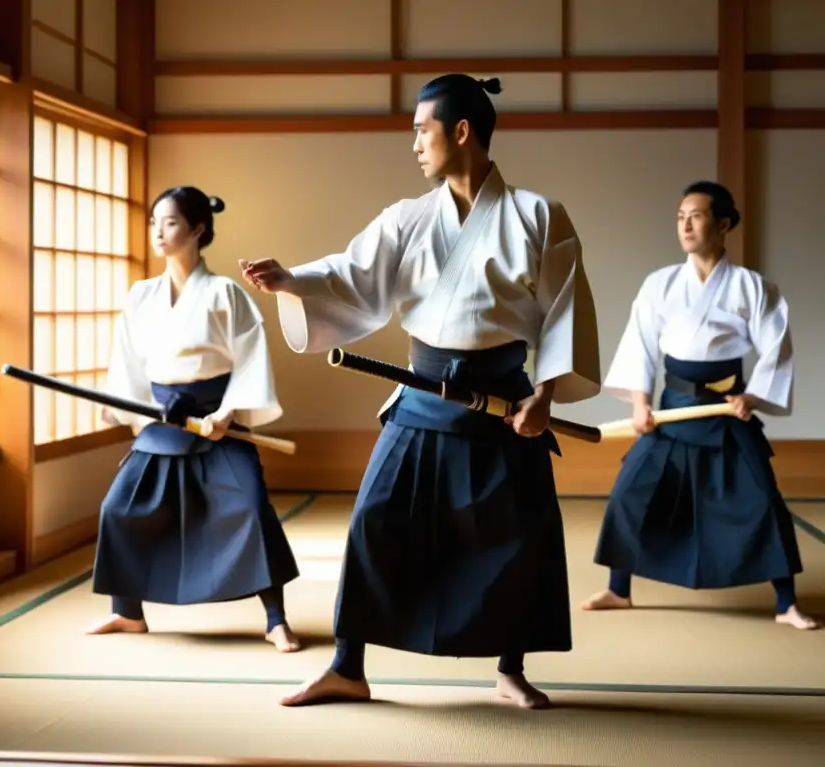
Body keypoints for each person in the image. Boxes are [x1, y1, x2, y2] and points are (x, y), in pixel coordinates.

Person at [239, 74, 602, 708]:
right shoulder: (409, 219)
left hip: (503, 403)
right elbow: (353, 275)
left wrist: (543, 396)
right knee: (373, 523)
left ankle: (509, 669)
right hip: (423, 396)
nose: (413, 144)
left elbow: (563, 313)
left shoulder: (538, 215)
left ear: (461, 131)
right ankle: (348, 666)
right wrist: (293, 280)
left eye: (421, 130)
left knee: (516, 536)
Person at [582, 180, 819, 631]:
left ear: (724, 223)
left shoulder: (752, 287)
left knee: (762, 502)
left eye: (696, 215)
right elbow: (641, 347)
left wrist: (751, 397)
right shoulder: (661, 284)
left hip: (727, 411)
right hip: (672, 412)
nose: (685, 224)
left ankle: (786, 602)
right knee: (632, 494)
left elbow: (776, 349)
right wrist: (641, 403)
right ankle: (619, 588)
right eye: (680, 216)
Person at [90, 185, 303, 653]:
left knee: (250, 508)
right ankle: (126, 612)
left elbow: (250, 358)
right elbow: (128, 363)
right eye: (154, 223)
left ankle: (275, 619)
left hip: (215, 422)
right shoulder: (142, 295)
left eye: (169, 223)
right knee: (119, 509)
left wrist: (227, 413)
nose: (159, 232)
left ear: (198, 229)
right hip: (161, 421)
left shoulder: (225, 292)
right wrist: (141, 417)